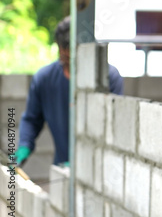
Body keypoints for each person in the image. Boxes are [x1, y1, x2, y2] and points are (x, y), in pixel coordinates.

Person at [15, 16, 123, 166]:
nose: (67, 63)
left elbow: (116, 128)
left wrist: (84, 163)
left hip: (99, 171)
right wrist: (24, 145)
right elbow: (32, 119)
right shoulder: (44, 79)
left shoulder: (108, 78)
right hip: (62, 167)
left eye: (71, 58)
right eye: (64, 57)